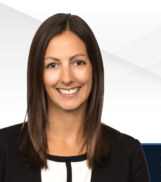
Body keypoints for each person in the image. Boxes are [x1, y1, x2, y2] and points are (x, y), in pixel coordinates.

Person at [0, 13, 150, 182]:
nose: (67, 78)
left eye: (78, 62)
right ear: (38, 74)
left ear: (94, 69)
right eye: (53, 65)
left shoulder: (128, 154)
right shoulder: (3, 148)